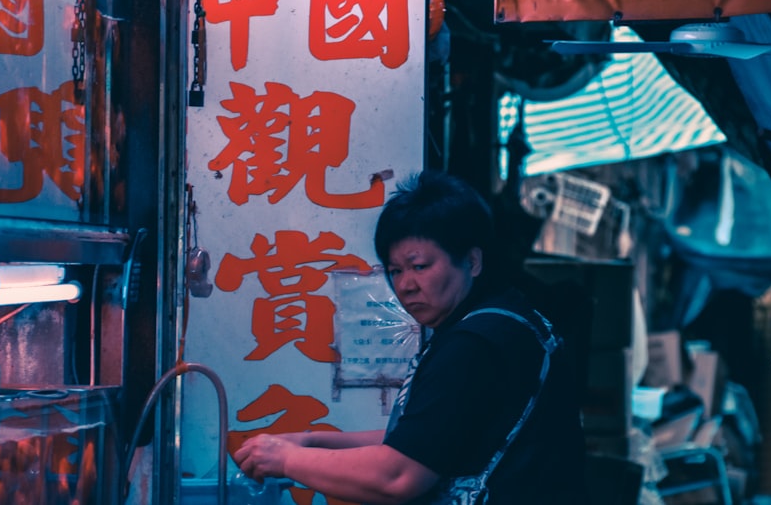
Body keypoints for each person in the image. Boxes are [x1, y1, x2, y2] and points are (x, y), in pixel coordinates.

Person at [233, 170, 587, 504]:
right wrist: (310, 442)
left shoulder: (476, 344)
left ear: (473, 261)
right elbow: (424, 437)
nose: (405, 285)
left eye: (420, 266)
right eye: (395, 270)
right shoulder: (504, 319)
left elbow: (399, 475)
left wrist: (287, 461)